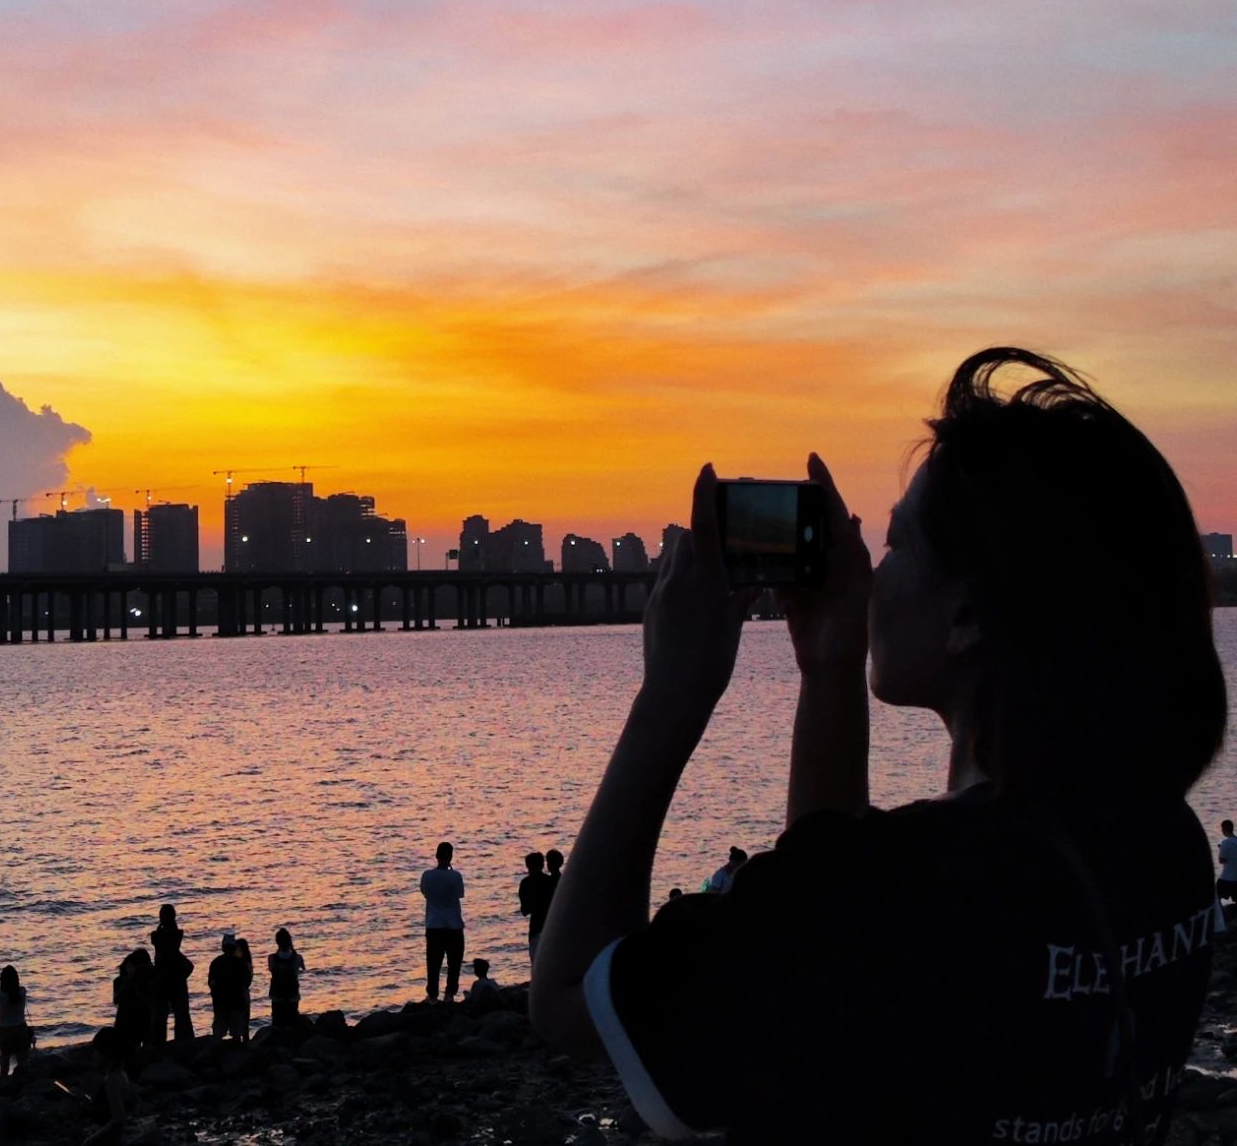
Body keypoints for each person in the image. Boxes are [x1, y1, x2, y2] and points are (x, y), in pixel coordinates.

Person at [531, 348, 1229, 1146]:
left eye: (896, 545)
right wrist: (828, 667)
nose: (872, 571)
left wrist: (669, 701)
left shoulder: (907, 892)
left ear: (967, 614)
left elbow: (567, 1003)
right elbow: (828, 949)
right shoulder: (1168, 847)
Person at [420, 842, 465, 1002]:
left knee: (433, 963)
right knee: (454, 963)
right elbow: (460, 893)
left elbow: (425, 893)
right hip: (454, 926)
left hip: (434, 925)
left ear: (436, 856)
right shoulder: (455, 876)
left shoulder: (427, 875)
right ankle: (449, 994)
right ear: (450, 856)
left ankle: (432, 995)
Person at [82, 1026, 136, 1146]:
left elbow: (119, 1119)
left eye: (97, 1051)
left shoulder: (112, 1081)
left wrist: (91, 1140)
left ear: (107, 1054)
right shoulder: (121, 1074)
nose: (94, 1055)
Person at [149, 904, 194, 1044]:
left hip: (163, 976)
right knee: (181, 1012)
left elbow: (157, 941)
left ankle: (159, 1042)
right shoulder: (177, 933)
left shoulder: (157, 935)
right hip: (176, 974)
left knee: (160, 1014)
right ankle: (184, 1040)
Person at [0, 964, 31, 1079]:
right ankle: (22, 1086)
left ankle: (3, 1087)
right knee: (22, 1063)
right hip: (21, 1029)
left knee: (4, 1066)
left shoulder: (0, 996)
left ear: (3, 981)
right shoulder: (22, 992)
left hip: (5, 1031)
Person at [208, 934, 250, 1043]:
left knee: (218, 1034)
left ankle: (216, 1055)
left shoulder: (216, 962)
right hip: (237, 1002)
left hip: (220, 1003)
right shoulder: (241, 963)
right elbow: (247, 981)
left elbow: (211, 982)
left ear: (223, 947)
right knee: (236, 1034)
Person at [112, 949, 154, 1055]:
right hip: (125, 1020)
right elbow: (116, 999)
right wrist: (130, 979)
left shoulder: (148, 979)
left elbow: (148, 998)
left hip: (144, 1018)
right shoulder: (120, 981)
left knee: (147, 1047)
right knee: (127, 1049)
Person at [518, 852, 552, 969]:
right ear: (542, 865)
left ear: (528, 866)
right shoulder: (550, 881)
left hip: (536, 927)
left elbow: (525, 910)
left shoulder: (525, 883)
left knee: (537, 966)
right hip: (551, 925)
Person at [267, 928, 305, 1031]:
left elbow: (272, 970)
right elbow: (303, 967)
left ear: (277, 941)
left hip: (277, 994)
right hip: (292, 994)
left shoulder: (271, 958)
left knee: (277, 1024)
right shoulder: (298, 958)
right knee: (292, 1023)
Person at [1218, 820, 1237, 903]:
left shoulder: (1225, 843)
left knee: (1215, 899)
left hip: (1227, 879)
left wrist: (1221, 849)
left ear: (1224, 829)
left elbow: (1222, 860)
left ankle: (1218, 915)